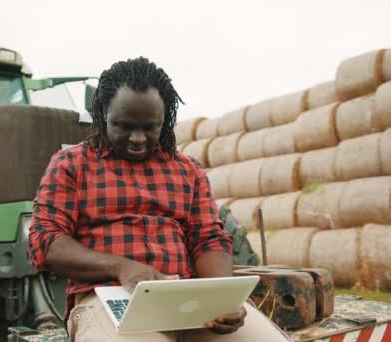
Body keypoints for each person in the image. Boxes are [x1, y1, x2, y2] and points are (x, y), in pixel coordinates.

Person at [28, 57, 289, 341]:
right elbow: (47, 241)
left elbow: (208, 239)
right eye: (124, 126)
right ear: (103, 114)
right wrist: (121, 267)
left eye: (150, 127)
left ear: (166, 120)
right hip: (108, 300)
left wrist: (222, 297)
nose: (138, 138)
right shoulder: (71, 164)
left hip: (189, 301)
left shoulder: (188, 170)